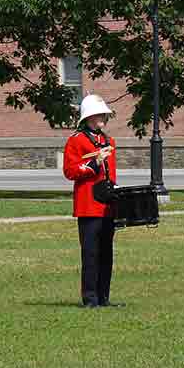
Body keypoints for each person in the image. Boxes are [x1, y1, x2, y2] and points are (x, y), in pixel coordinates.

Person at [63, 94, 120, 308]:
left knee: (106, 254)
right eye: (99, 115)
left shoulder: (109, 141)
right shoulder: (76, 141)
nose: (103, 118)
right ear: (88, 117)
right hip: (88, 206)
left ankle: (104, 297)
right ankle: (90, 299)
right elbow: (69, 171)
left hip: (107, 206)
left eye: (104, 114)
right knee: (90, 255)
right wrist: (94, 164)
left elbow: (111, 175)